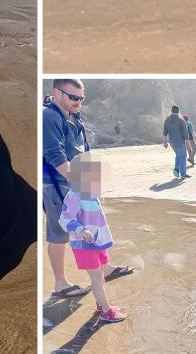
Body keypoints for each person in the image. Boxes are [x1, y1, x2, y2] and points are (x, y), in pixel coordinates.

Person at [43, 79, 132, 298]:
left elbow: (82, 150)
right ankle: (60, 283)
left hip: (78, 181)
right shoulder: (49, 116)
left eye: (81, 98)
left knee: (93, 223)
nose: (78, 102)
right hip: (57, 184)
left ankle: (105, 268)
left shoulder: (73, 115)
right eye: (73, 97)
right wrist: (80, 182)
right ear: (57, 93)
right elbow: (55, 155)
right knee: (59, 233)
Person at [58, 153, 126, 323]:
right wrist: (80, 230)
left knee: (100, 274)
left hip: (98, 243)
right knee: (96, 276)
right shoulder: (74, 195)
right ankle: (106, 311)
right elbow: (64, 218)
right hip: (84, 244)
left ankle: (101, 304)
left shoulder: (91, 193)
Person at [163, 105, 191, 178]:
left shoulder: (167, 120)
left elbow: (165, 132)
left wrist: (165, 142)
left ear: (172, 111)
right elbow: (185, 133)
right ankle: (183, 174)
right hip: (180, 141)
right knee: (183, 156)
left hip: (172, 142)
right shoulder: (181, 121)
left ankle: (176, 169)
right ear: (178, 111)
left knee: (178, 155)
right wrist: (188, 144)